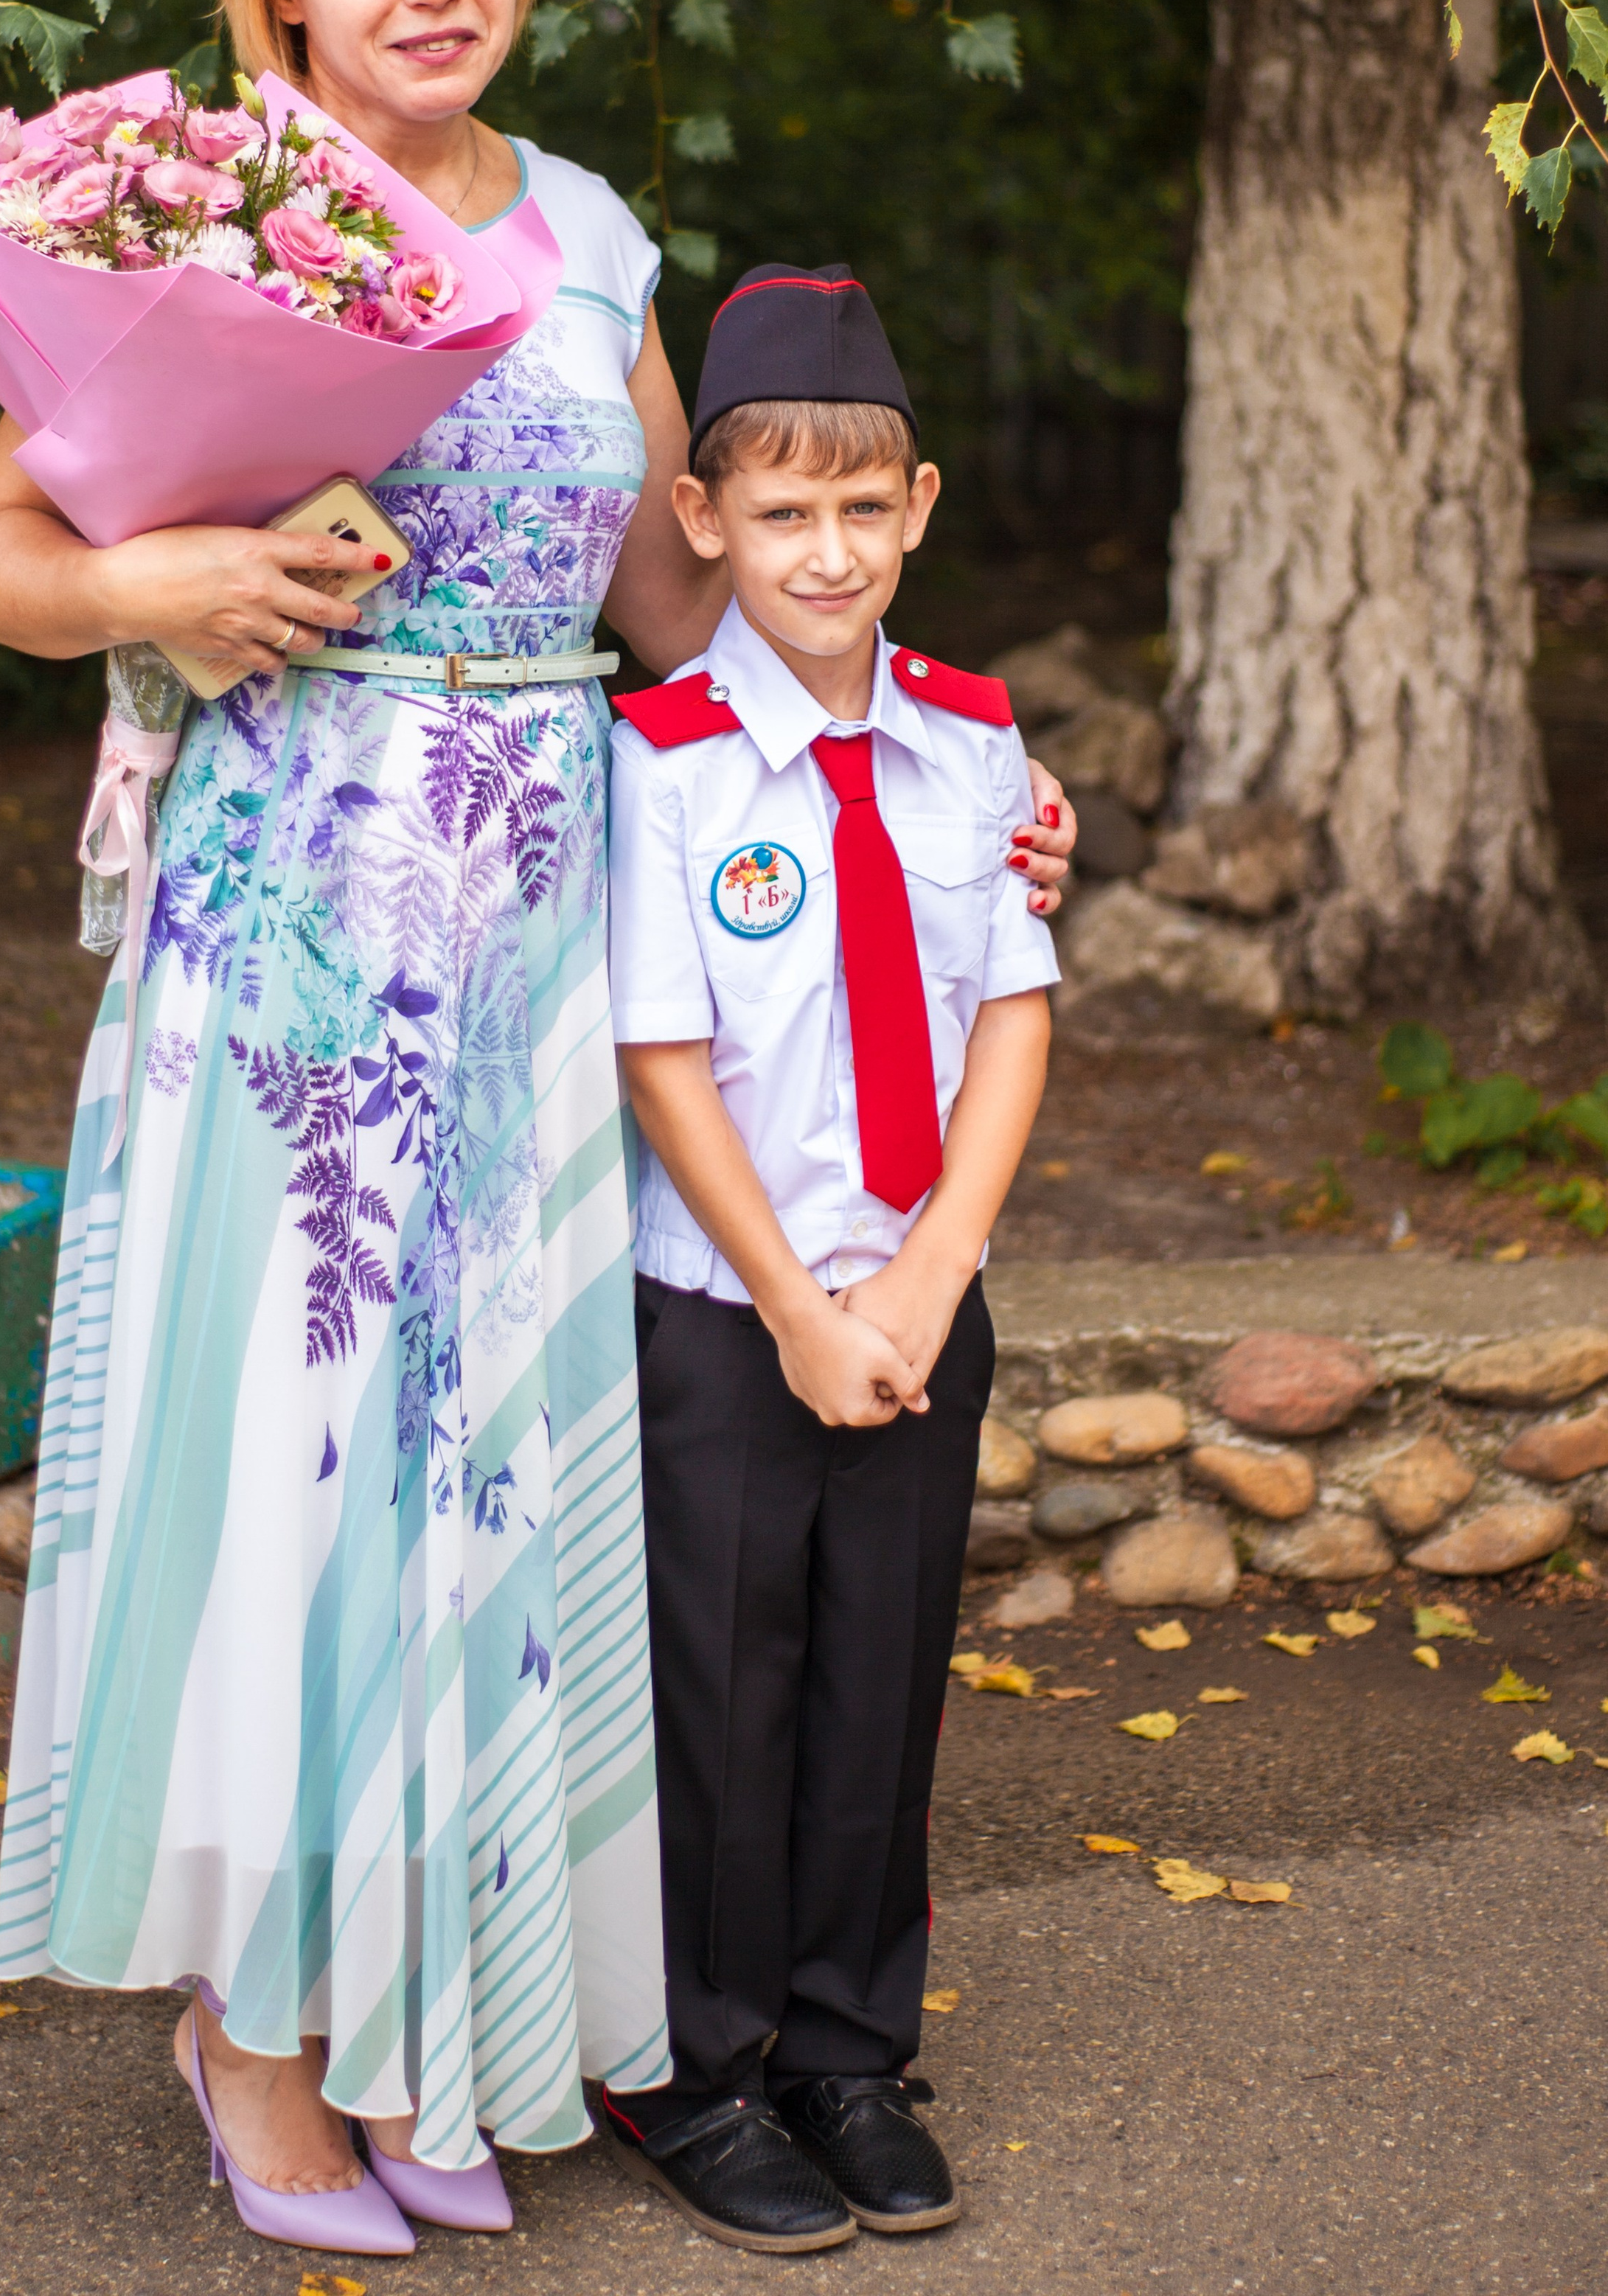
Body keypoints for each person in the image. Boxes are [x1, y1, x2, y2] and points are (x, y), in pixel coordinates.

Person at [0, 0, 1079, 2254]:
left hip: (554, 930)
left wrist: (943, 781)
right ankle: (253, 2043)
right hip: (300, 942)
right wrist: (164, 593)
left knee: (497, 1489)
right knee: (309, 1477)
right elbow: (2, 563)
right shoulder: (225, 211)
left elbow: (688, 608)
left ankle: (427, 2013)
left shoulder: (589, 235)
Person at [599, 265, 1057, 2254]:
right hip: (729, 1316)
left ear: (922, 507)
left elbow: (1016, 1016)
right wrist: (795, 1305)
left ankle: (846, 2051)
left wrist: (936, 1274)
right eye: (780, 512)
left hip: (920, 1299)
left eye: (864, 510)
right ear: (702, 519)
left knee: (882, 1680)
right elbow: (659, 1056)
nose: (827, 550)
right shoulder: (667, 751)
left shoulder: (973, 742)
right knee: (725, 1685)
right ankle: (698, 2070)